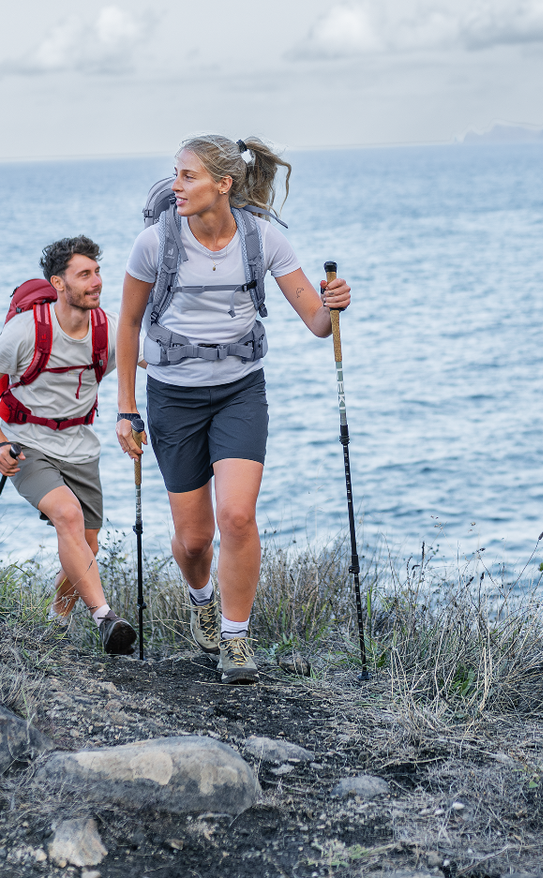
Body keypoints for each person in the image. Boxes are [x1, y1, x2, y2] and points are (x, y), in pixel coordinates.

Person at [113, 136, 350, 683]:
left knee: (238, 516)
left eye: (188, 176)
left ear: (224, 184)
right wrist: (126, 410)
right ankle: (201, 598)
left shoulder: (263, 240)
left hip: (242, 390)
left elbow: (316, 322)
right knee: (194, 540)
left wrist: (334, 304)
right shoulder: (154, 243)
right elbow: (127, 325)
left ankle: (236, 640)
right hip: (173, 395)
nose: (176, 186)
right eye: (175, 175)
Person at [0, 236, 137, 654]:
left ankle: (56, 620)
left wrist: (131, 414)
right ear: (58, 284)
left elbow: (152, 358)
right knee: (67, 514)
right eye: (85, 274)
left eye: (97, 272)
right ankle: (105, 618)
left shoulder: (109, 329)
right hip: (28, 446)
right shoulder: (25, 331)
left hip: (82, 449)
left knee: (86, 545)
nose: (96, 281)